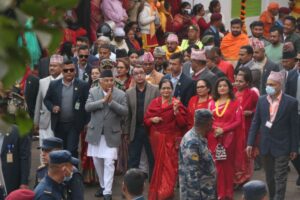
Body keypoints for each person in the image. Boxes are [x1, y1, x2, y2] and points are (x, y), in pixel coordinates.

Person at [246, 71, 299, 200]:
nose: (268, 86)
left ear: (279, 85)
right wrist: (250, 143)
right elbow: (255, 122)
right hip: (265, 145)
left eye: (272, 84)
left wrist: (294, 148)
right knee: (270, 177)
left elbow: (295, 128)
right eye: (267, 84)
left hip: (282, 145)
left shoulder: (291, 102)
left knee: (280, 177)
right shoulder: (262, 100)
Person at [85, 70, 128, 200]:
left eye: (112, 80)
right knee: (97, 161)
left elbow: (125, 111)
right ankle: (103, 186)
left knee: (109, 162)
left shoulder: (120, 94)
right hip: (96, 134)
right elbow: (87, 107)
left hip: (112, 134)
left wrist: (111, 103)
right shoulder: (93, 92)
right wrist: (103, 101)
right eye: (107, 80)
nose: (110, 83)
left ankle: (107, 192)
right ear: (100, 81)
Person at [144, 79, 188, 200]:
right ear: (160, 90)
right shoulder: (154, 103)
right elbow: (146, 120)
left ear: (172, 89)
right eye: (163, 88)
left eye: (168, 88)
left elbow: (183, 124)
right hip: (156, 139)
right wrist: (152, 120)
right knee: (159, 166)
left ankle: (166, 192)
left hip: (171, 140)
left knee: (170, 167)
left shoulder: (177, 103)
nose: (166, 91)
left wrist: (176, 112)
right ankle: (158, 192)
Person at [44, 59, 90, 158]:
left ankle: (73, 172)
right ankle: (62, 172)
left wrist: (87, 122)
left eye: (71, 70)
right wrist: (52, 107)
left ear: (75, 71)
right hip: (59, 124)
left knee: (71, 150)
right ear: (62, 71)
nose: (69, 72)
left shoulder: (83, 85)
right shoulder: (54, 85)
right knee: (60, 150)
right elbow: (46, 100)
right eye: (66, 70)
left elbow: (87, 103)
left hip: (74, 124)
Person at [207, 77, 243, 200]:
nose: (222, 88)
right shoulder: (211, 103)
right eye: (219, 86)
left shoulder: (235, 102)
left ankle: (227, 194)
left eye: (224, 86)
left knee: (227, 167)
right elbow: (208, 120)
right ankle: (218, 193)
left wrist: (223, 130)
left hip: (229, 139)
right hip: (214, 138)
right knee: (216, 166)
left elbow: (238, 121)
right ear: (216, 89)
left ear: (229, 88)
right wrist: (215, 129)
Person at [126, 67, 159, 179]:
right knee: (133, 159)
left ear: (145, 74)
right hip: (136, 129)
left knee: (153, 157)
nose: (139, 75)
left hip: (151, 129)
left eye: (141, 73)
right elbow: (128, 115)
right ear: (133, 77)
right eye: (136, 74)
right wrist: (126, 132)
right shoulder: (129, 92)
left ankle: (154, 185)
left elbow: (159, 109)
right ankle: (131, 185)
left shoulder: (155, 89)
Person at [179, 109, 216, 200]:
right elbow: (191, 174)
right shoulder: (192, 142)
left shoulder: (199, 138)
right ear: (208, 124)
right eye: (211, 121)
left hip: (206, 191)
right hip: (198, 194)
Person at [34, 54, 63, 159]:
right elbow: (39, 102)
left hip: (60, 122)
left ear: (61, 67)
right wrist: (36, 122)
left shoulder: (66, 80)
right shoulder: (43, 81)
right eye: (50, 65)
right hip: (45, 121)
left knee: (56, 150)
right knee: (44, 148)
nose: (51, 68)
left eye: (55, 66)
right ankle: (43, 174)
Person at [234, 68, 259, 186]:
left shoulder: (252, 94)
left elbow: (259, 110)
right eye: (236, 81)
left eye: (241, 81)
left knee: (246, 154)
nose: (238, 84)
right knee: (235, 154)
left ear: (247, 83)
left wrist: (251, 112)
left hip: (247, 127)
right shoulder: (232, 92)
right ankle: (236, 179)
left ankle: (245, 179)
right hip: (234, 128)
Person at [80, 66, 101, 184]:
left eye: (97, 73)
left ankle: (99, 178)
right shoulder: (85, 87)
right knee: (86, 151)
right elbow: (84, 107)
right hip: (87, 124)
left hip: (99, 124)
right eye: (92, 73)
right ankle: (88, 177)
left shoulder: (104, 89)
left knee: (97, 151)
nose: (94, 75)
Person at [285, 59, 300, 186]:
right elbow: (287, 96)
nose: (298, 63)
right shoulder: (291, 75)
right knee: (294, 146)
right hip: (295, 116)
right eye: (298, 60)